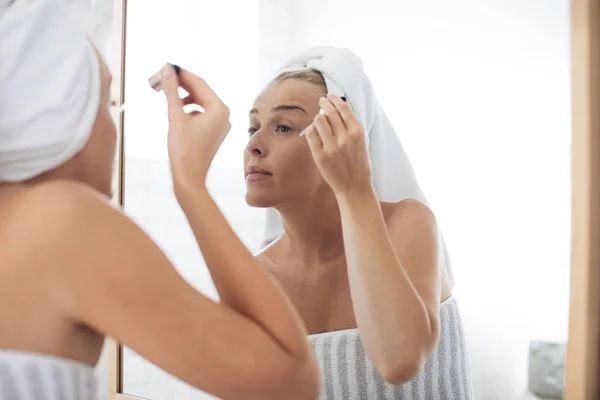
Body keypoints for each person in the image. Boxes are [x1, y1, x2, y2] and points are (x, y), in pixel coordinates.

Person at [0, 1, 320, 399]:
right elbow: (292, 383)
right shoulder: (62, 220)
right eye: (107, 105)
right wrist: (189, 182)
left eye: (284, 126)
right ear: (62, 118)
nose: (255, 145)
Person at [244, 47, 474, 399]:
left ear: (345, 142)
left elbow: (399, 360)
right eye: (252, 127)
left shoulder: (407, 224)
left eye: (283, 126)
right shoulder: (256, 277)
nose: (255, 145)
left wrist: (353, 187)